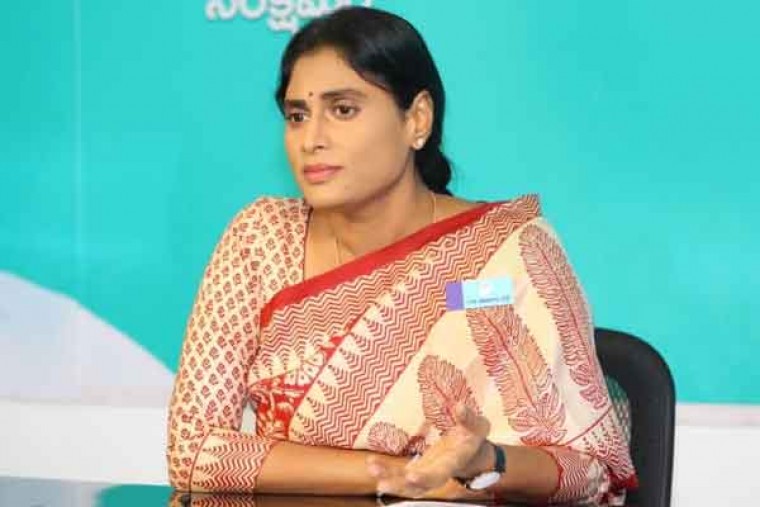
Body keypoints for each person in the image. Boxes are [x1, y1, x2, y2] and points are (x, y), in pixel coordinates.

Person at [166, 6, 637, 505]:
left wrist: (486, 461)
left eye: (343, 110)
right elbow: (194, 452)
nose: (312, 139)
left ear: (417, 119)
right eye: (297, 116)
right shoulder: (260, 239)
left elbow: (591, 472)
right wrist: (406, 474)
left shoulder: (509, 250)